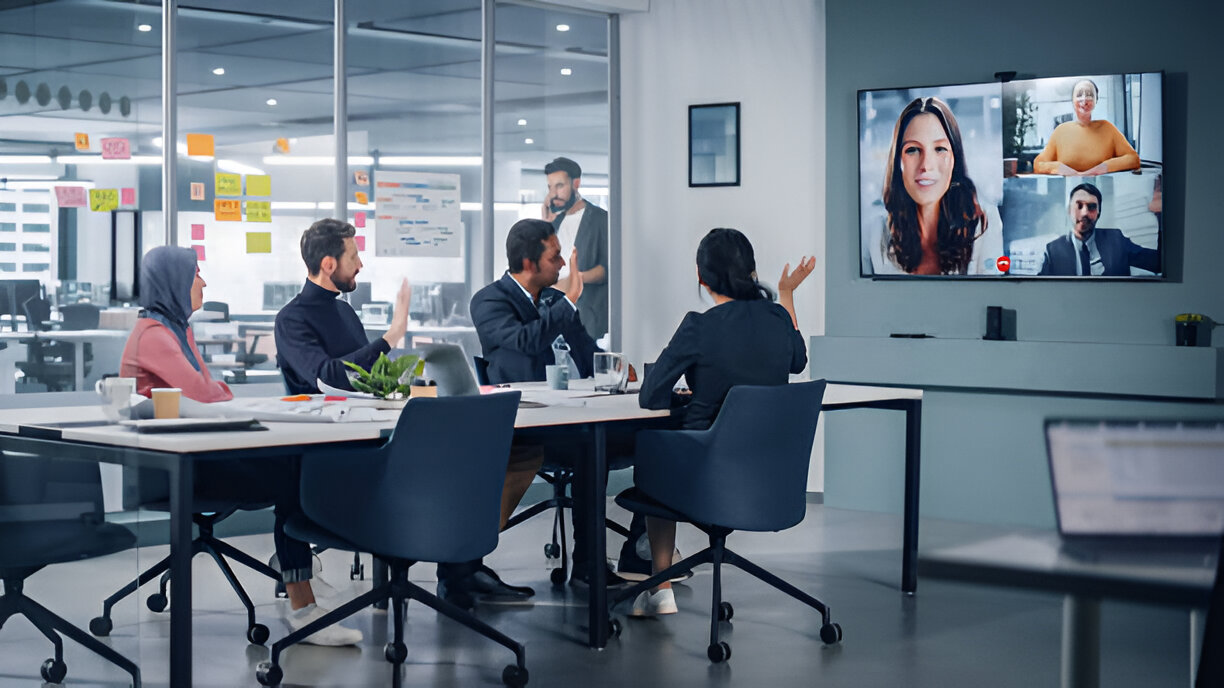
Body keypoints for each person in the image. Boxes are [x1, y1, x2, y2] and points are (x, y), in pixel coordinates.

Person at [274, 218, 536, 610]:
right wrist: (392, 335)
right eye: (354, 255)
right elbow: (328, 377)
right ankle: (309, 598)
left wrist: (405, 385)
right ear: (329, 264)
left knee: (465, 460)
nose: (360, 264)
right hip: (328, 451)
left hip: (375, 435)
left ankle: (459, 569)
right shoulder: (292, 319)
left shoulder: (344, 314)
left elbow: (369, 380)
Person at [121, 245, 362, 646]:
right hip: (172, 468)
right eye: (196, 274)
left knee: (295, 465)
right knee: (292, 472)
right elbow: (204, 392)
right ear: (174, 283)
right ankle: (301, 600)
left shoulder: (176, 330)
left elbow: (212, 392)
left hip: (199, 451)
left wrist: (213, 392)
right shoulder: (154, 334)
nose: (203, 282)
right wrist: (213, 392)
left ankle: (298, 573)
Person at [630, 228, 815, 615]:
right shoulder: (778, 319)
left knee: (655, 449)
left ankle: (660, 588)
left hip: (707, 476)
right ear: (751, 272)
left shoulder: (700, 325)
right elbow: (797, 362)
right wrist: (787, 295)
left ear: (701, 277)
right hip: (770, 478)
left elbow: (649, 396)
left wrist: (690, 395)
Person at [470, 218, 653, 586]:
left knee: (648, 440)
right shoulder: (489, 301)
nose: (564, 266)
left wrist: (616, 367)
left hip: (569, 419)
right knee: (591, 448)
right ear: (528, 263)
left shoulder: (553, 301)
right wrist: (569, 300)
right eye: (555, 257)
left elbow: (586, 352)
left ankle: (624, 555)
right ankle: (468, 567)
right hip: (524, 428)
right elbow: (525, 341)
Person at [869, 97, 1002, 276]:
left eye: (939, 149)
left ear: (954, 158)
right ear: (898, 161)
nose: (926, 165)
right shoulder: (877, 233)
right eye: (913, 150)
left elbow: (992, 295)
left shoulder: (984, 222)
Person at [542, 157, 608, 341]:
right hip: (554, 312)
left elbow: (608, 269)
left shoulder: (600, 219)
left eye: (560, 186)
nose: (554, 193)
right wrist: (545, 226)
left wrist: (574, 280)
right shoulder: (555, 222)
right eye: (550, 187)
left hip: (587, 314)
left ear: (576, 184)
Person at [1037, 182, 1160, 276]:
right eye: (1079, 205)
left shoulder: (1116, 240)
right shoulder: (1053, 250)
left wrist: (1160, 213)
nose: (1085, 212)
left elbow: (1158, 263)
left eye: (1091, 207)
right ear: (1069, 210)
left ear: (1098, 213)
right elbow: (1039, 290)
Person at [1033, 79, 1140, 176]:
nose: (1084, 99)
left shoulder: (1107, 128)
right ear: (1072, 100)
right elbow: (1038, 164)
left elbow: (1133, 159)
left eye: (1089, 95)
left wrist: (1101, 168)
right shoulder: (1061, 131)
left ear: (1096, 100)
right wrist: (1060, 168)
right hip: (1068, 193)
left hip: (1103, 193)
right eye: (1079, 95)